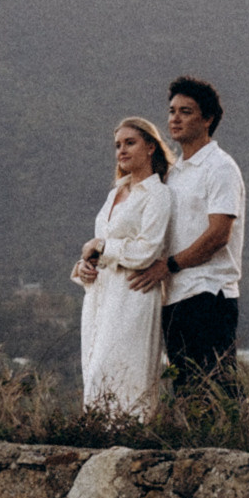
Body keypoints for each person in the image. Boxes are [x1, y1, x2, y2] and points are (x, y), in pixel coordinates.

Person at [128, 76, 245, 394]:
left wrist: (169, 265)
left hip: (209, 294)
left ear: (207, 119)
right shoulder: (174, 172)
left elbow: (219, 233)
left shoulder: (220, 167)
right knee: (186, 390)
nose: (175, 118)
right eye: (171, 111)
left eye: (186, 111)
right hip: (175, 296)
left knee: (214, 388)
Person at [71, 117, 174, 419]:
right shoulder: (114, 193)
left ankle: (130, 447)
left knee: (122, 374)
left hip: (133, 295)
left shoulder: (158, 195)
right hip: (99, 297)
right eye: (118, 145)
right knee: (94, 373)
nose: (122, 150)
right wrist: (84, 266)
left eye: (130, 143)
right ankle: (97, 444)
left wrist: (103, 248)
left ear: (151, 146)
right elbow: (97, 248)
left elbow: (146, 250)